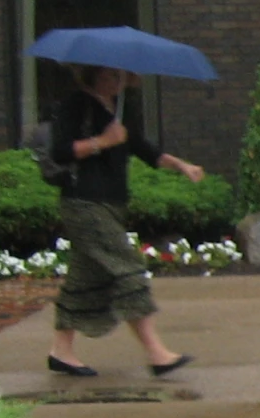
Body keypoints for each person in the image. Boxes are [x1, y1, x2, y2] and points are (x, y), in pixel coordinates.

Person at [46, 65, 204, 377]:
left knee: (85, 279)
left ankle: (60, 351)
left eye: (120, 76)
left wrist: (181, 165)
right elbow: (60, 152)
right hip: (83, 203)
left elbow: (145, 150)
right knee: (128, 269)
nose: (116, 81)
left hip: (111, 205)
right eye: (109, 76)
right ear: (93, 75)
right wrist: (102, 142)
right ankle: (157, 353)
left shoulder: (119, 110)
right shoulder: (77, 104)